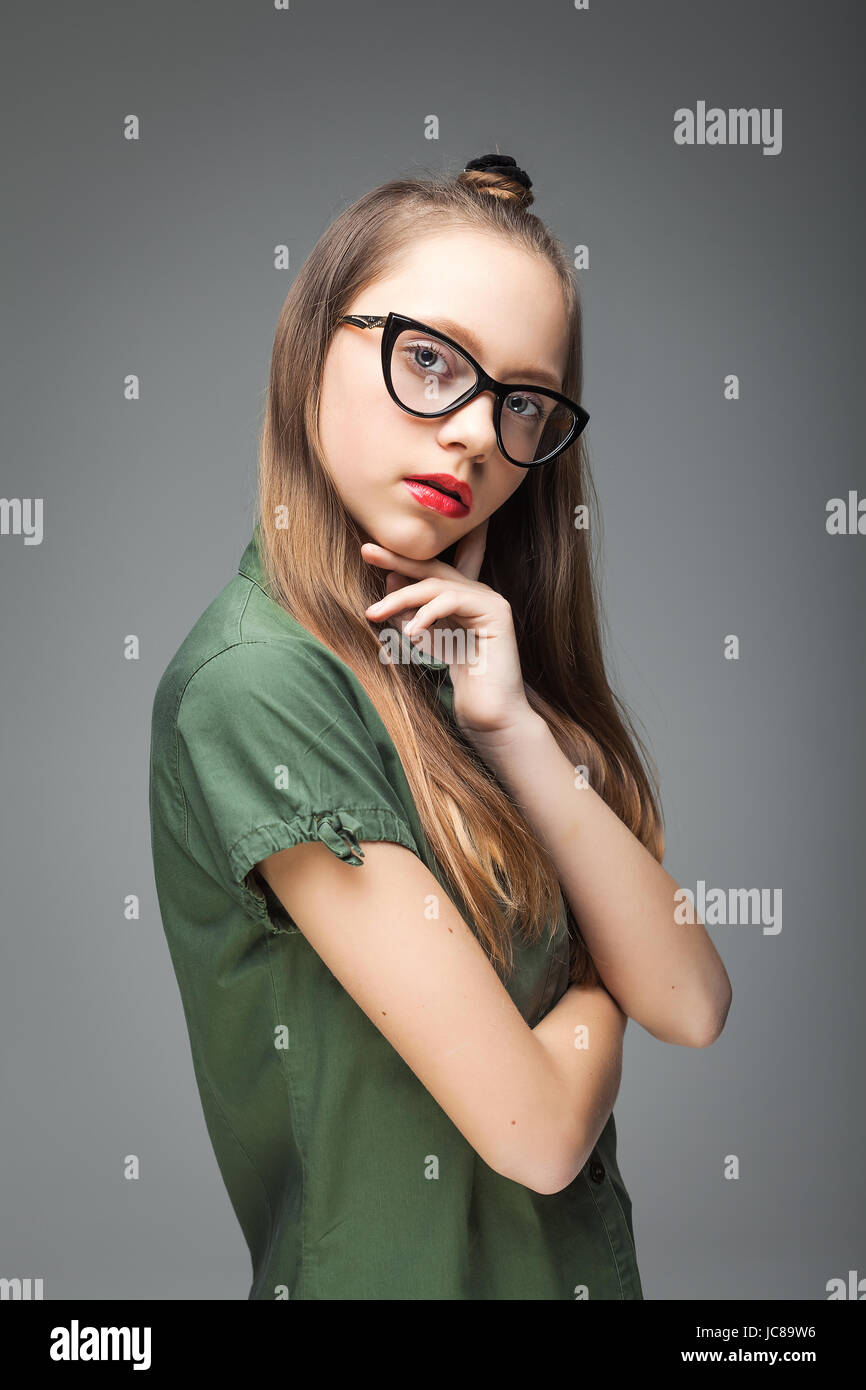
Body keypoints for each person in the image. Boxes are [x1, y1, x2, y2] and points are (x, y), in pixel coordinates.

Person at [149, 152, 732, 1301]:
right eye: (429, 360)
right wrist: (596, 990)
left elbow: (696, 1000)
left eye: (520, 401)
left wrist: (509, 724)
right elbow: (535, 1131)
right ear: (312, 340)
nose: (474, 433)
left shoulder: (455, 667)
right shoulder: (258, 686)